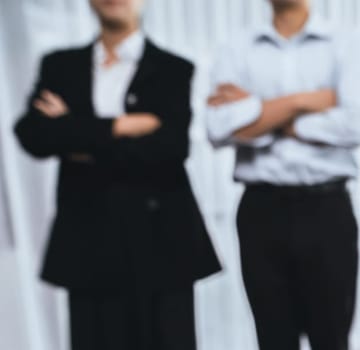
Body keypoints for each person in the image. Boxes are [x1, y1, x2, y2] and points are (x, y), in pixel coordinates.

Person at [13, 0, 222, 349]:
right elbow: (34, 135)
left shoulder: (173, 68)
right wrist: (120, 126)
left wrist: (73, 132)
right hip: (87, 240)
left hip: (161, 242)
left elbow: (168, 149)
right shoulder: (60, 66)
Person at [204, 0, 360, 348]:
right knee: (273, 338)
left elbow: (356, 125)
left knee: (331, 337)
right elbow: (219, 127)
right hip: (261, 212)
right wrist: (303, 102)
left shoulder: (346, 42)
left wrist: (258, 109)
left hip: (327, 210)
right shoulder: (236, 47)